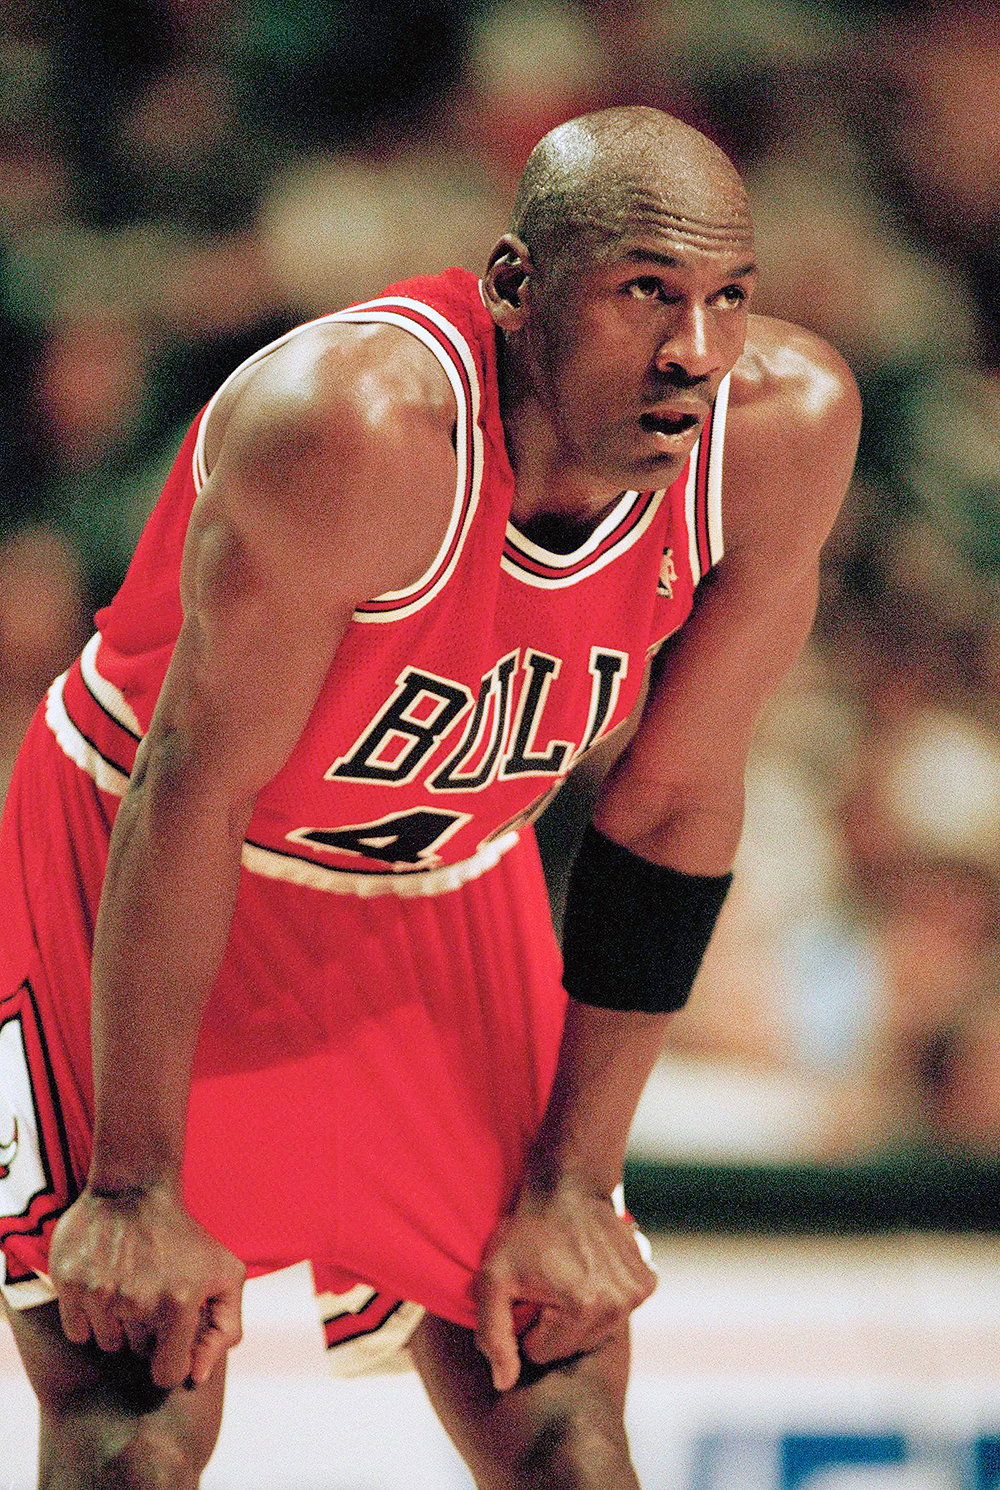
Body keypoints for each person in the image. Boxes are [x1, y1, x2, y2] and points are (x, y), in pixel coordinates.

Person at [0, 105, 861, 1488]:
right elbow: (190, 786)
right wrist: (133, 1185)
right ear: (516, 285)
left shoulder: (782, 430)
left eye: (728, 299)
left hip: (441, 884)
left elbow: (674, 808)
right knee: (133, 1421)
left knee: (567, 1426)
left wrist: (577, 1184)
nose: (695, 349)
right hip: (140, 854)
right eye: (647, 290)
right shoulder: (352, 427)